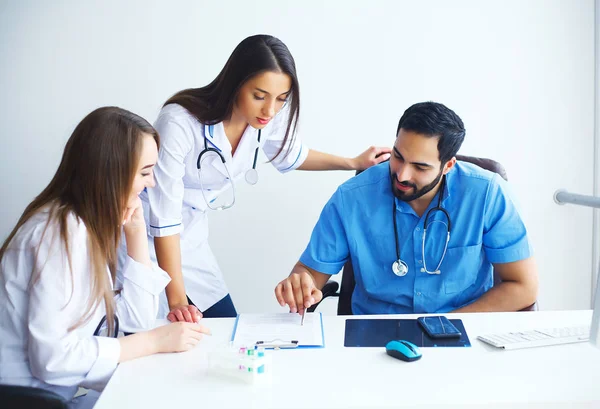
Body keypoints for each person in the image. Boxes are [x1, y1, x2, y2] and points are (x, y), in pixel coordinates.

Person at [140, 34, 391, 321]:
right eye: (259, 96)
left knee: (223, 326)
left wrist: (352, 162)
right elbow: (165, 219)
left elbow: (292, 155)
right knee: (161, 328)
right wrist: (177, 302)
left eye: (281, 99)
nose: (270, 110)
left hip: (191, 238)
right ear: (235, 85)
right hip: (145, 237)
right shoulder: (179, 123)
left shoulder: (266, 118)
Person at [0, 107, 210, 407]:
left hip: (56, 394)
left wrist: (136, 233)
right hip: (27, 399)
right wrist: (153, 342)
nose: (151, 184)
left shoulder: (90, 227)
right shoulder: (58, 233)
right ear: (113, 172)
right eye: (146, 173)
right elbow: (51, 359)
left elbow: (137, 320)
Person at [274, 101, 539, 315]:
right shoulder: (351, 199)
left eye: (420, 167)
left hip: (461, 331)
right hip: (374, 338)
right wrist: (301, 284)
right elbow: (308, 274)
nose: (401, 175)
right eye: (398, 157)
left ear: (448, 165)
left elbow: (523, 286)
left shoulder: (487, 195)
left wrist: (448, 324)